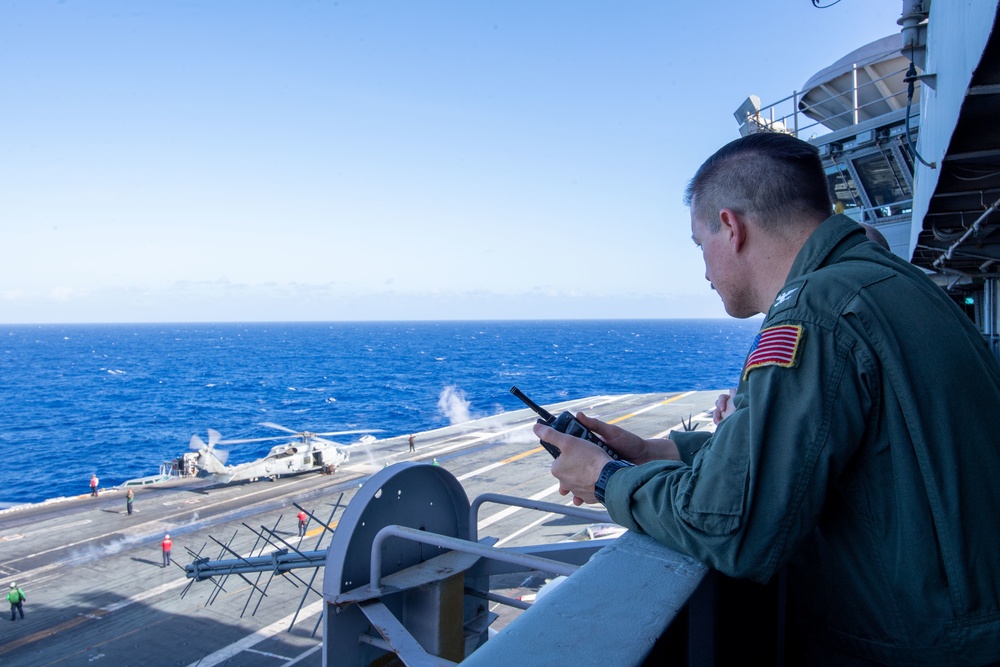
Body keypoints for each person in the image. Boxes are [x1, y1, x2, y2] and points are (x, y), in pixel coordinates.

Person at [538, 132, 1000, 664]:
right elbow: (822, 443)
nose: (704, 270)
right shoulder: (890, 282)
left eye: (699, 245)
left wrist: (604, 477)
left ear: (731, 228)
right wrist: (652, 450)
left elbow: (728, 525)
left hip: (922, 648)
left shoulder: (816, 313)